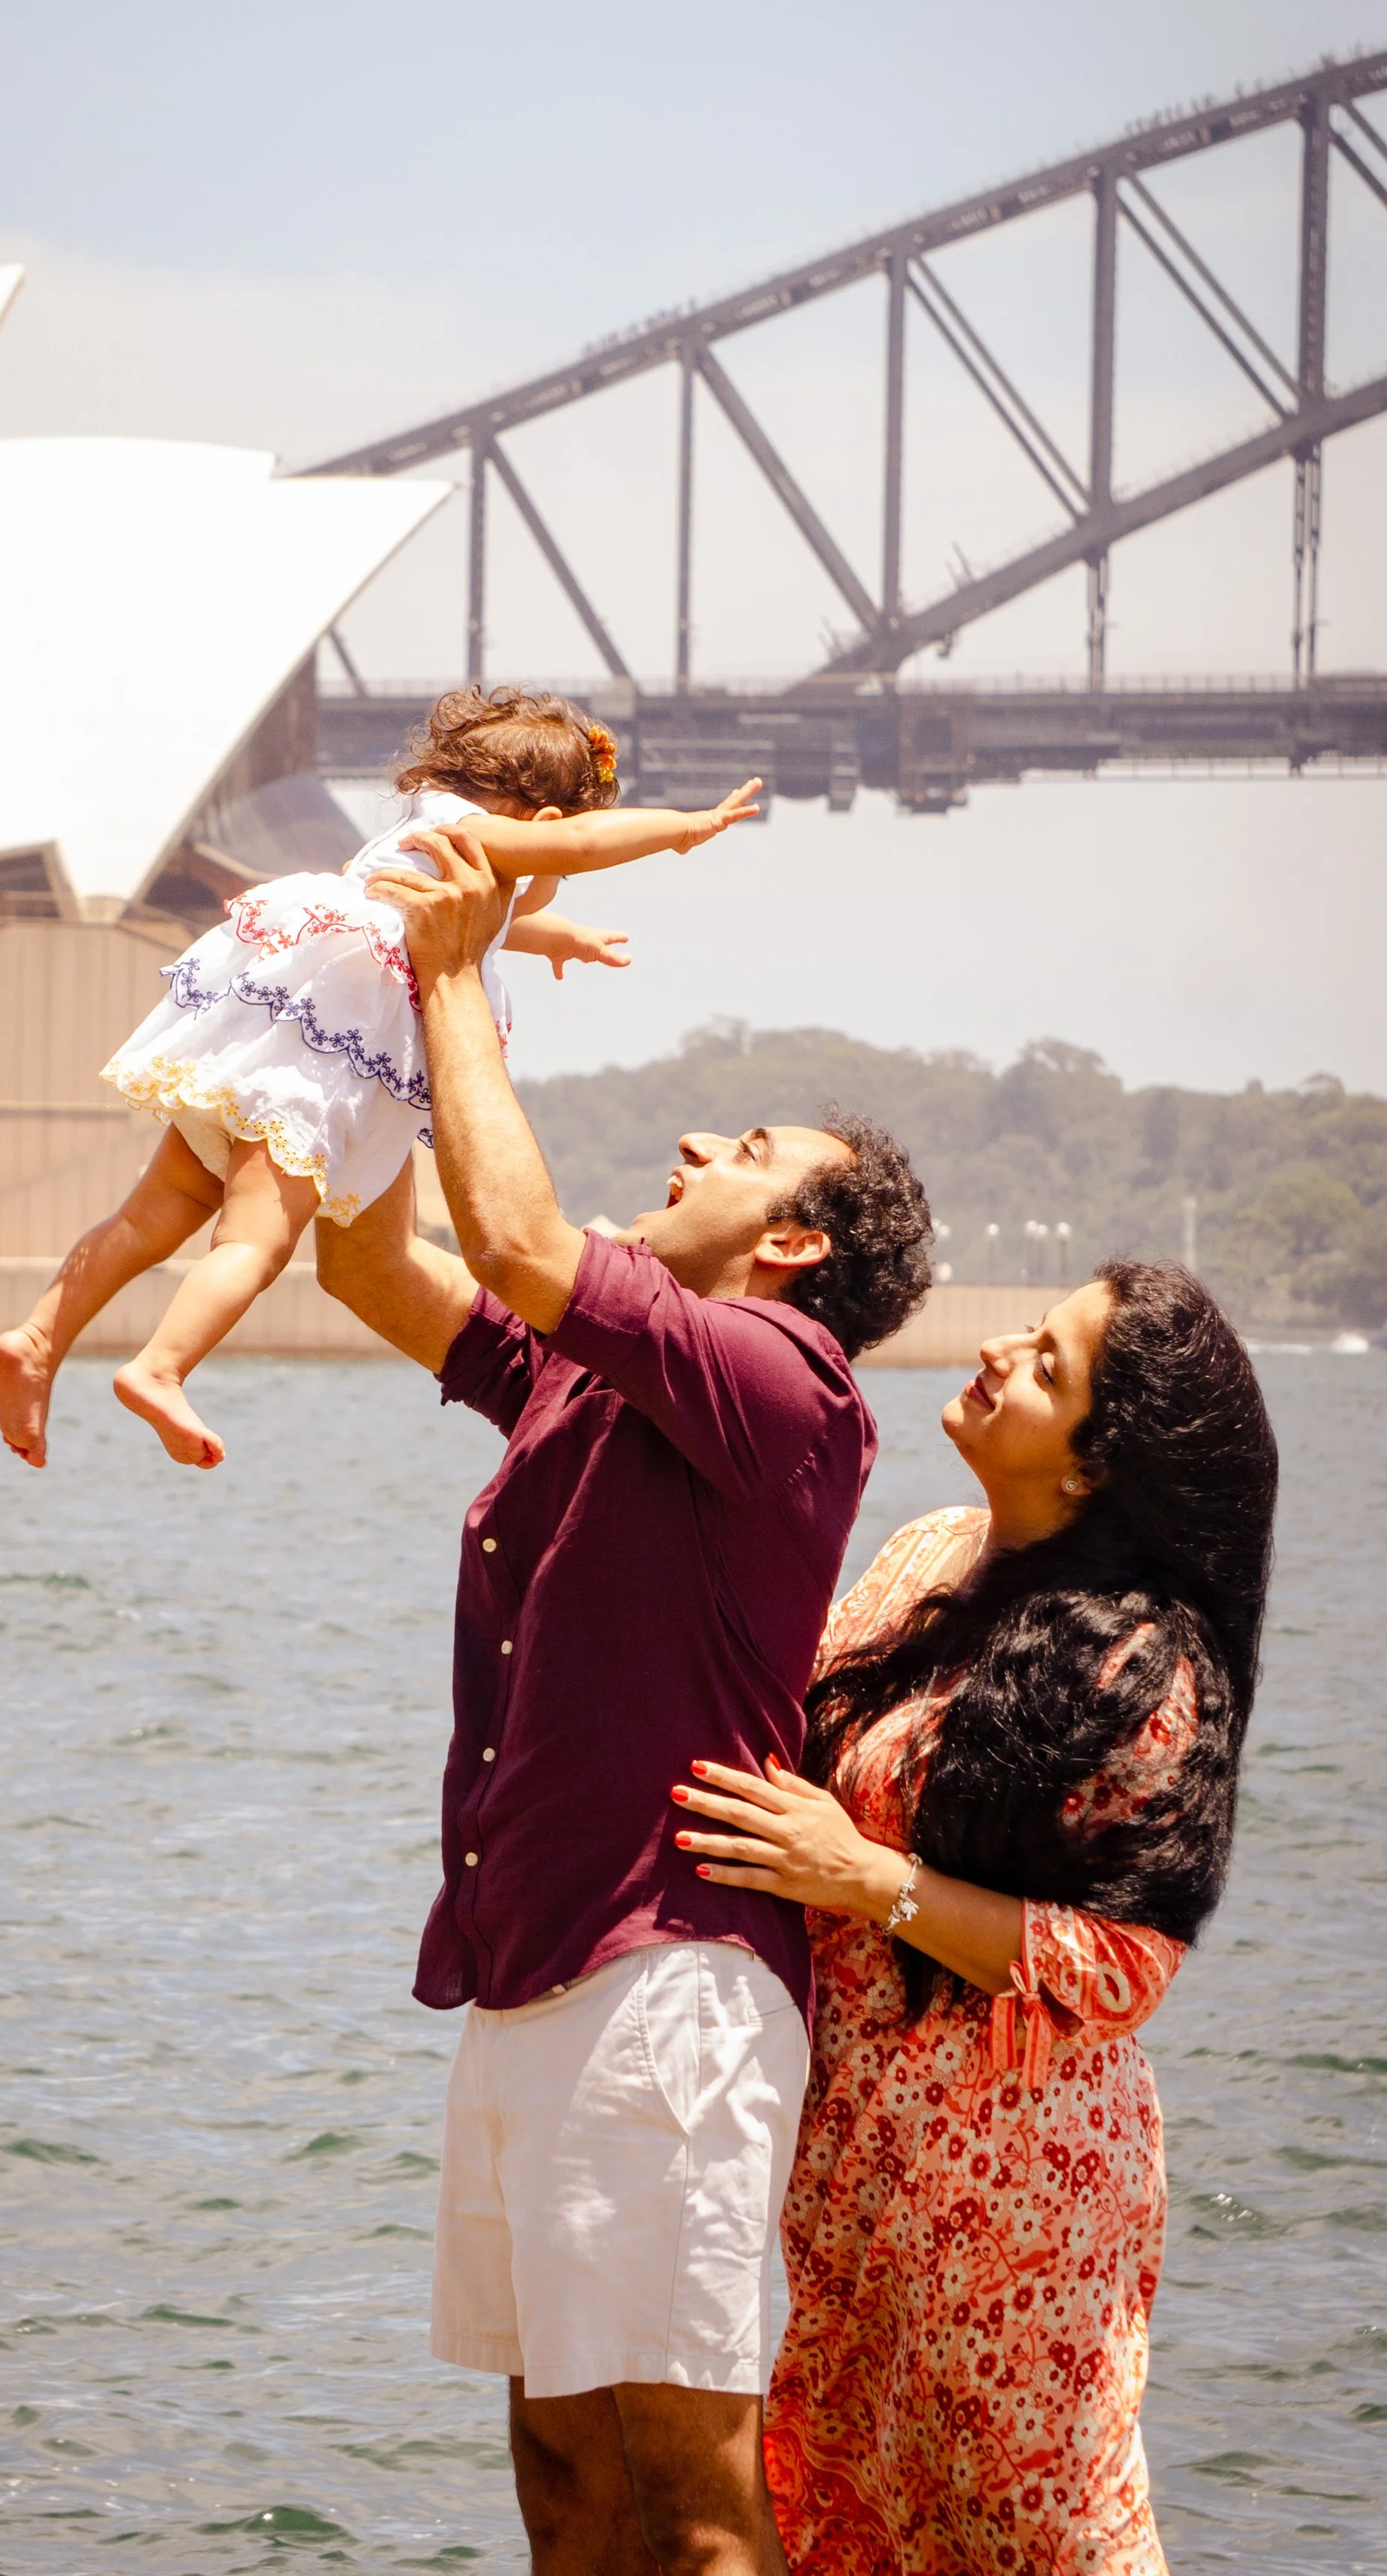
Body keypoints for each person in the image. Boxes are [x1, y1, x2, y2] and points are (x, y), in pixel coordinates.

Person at [316, 818, 932, 2576]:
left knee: (685, 2501)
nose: (687, 1142)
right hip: (539, 1968)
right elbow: (370, 1259)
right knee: (561, 2483)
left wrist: (452, 970)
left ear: (799, 1249)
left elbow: (511, 1235)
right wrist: (367, 1009)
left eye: (742, 1149)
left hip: (668, 1982)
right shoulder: (600, 1383)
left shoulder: (783, 1380)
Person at [670, 1267, 1278, 2574]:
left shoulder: (1141, 1663)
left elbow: (1128, 1964)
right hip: (850, 2170)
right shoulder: (927, 1553)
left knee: (1037, 2537)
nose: (1003, 1349)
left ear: (1094, 1470)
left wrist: (867, 1882)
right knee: (857, 2526)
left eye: (1049, 1364)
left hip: (1020, 2193)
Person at [0, 685, 762, 1470]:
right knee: (254, 1241)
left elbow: (492, 922)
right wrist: (684, 829)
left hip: (263, 1054)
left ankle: (39, 1337)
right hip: (313, 1077)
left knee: (155, 1212)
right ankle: (160, 1367)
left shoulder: (424, 833)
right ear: (543, 823)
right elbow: (588, 843)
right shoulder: (477, 835)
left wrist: (557, 933)